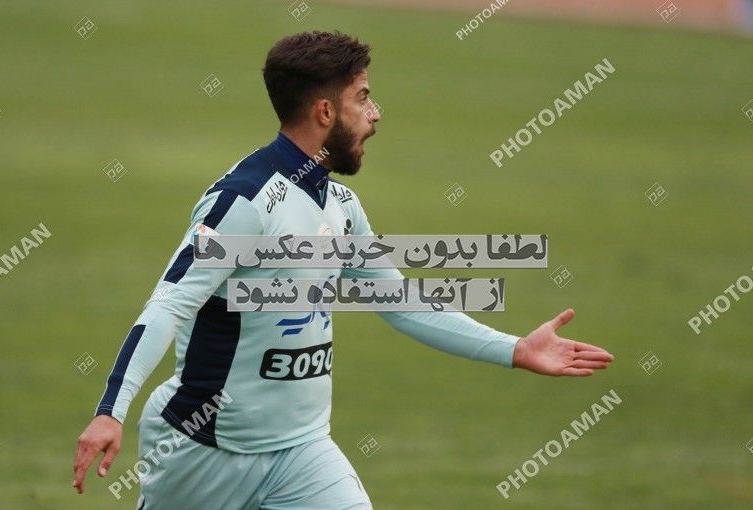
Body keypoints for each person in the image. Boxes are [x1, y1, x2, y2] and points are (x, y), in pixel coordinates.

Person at [72, 31, 614, 509]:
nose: (375, 114)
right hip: (203, 452)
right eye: (363, 98)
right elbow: (170, 302)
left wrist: (515, 349)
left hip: (301, 452)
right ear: (325, 113)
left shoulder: (341, 206)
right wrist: (111, 409)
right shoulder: (245, 203)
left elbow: (400, 302)